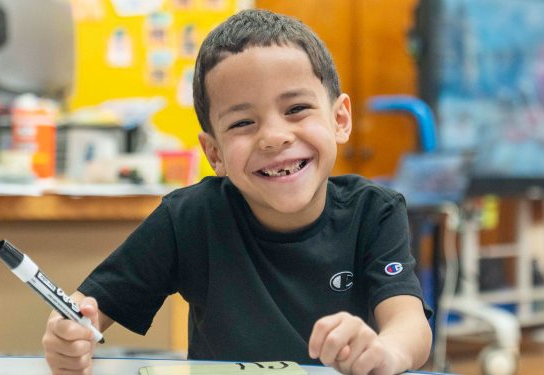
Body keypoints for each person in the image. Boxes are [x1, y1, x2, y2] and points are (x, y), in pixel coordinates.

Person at [42, 9, 432, 375]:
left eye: (296, 108)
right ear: (215, 153)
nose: (274, 138)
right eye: (243, 122)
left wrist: (385, 351)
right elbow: (84, 310)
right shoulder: (189, 218)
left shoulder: (375, 212)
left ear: (339, 119)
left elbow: (409, 325)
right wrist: (68, 335)